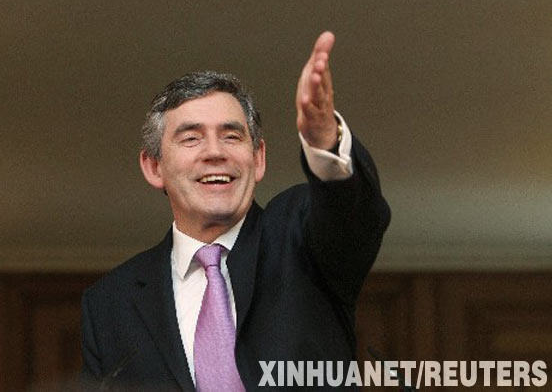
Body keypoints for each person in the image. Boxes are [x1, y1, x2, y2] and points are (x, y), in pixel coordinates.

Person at [81, 31, 390, 391]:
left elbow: (353, 216)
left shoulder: (299, 237)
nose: (215, 152)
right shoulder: (111, 303)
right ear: (153, 167)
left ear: (258, 159)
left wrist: (325, 140)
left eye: (231, 136)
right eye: (191, 138)